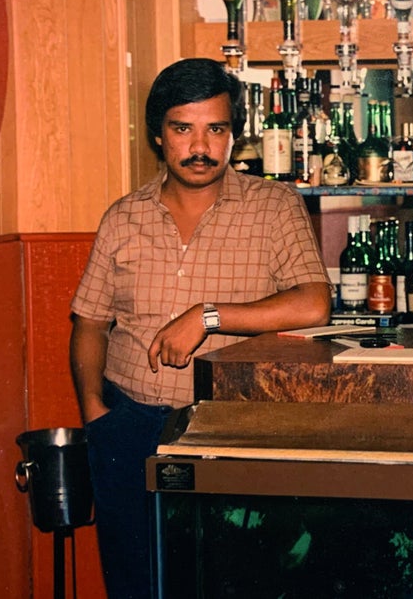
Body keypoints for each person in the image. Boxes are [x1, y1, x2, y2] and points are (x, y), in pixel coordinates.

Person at [69, 58, 331, 598]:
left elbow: (313, 304)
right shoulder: (124, 216)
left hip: (232, 425)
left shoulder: (273, 206)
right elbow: (90, 322)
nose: (200, 146)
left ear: (234, 135)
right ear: (158, 137)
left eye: (216, 129)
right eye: (182, 129)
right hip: (129, 424)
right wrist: (95, 412)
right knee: (135, 580)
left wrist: (209, 317)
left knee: (229, 577)